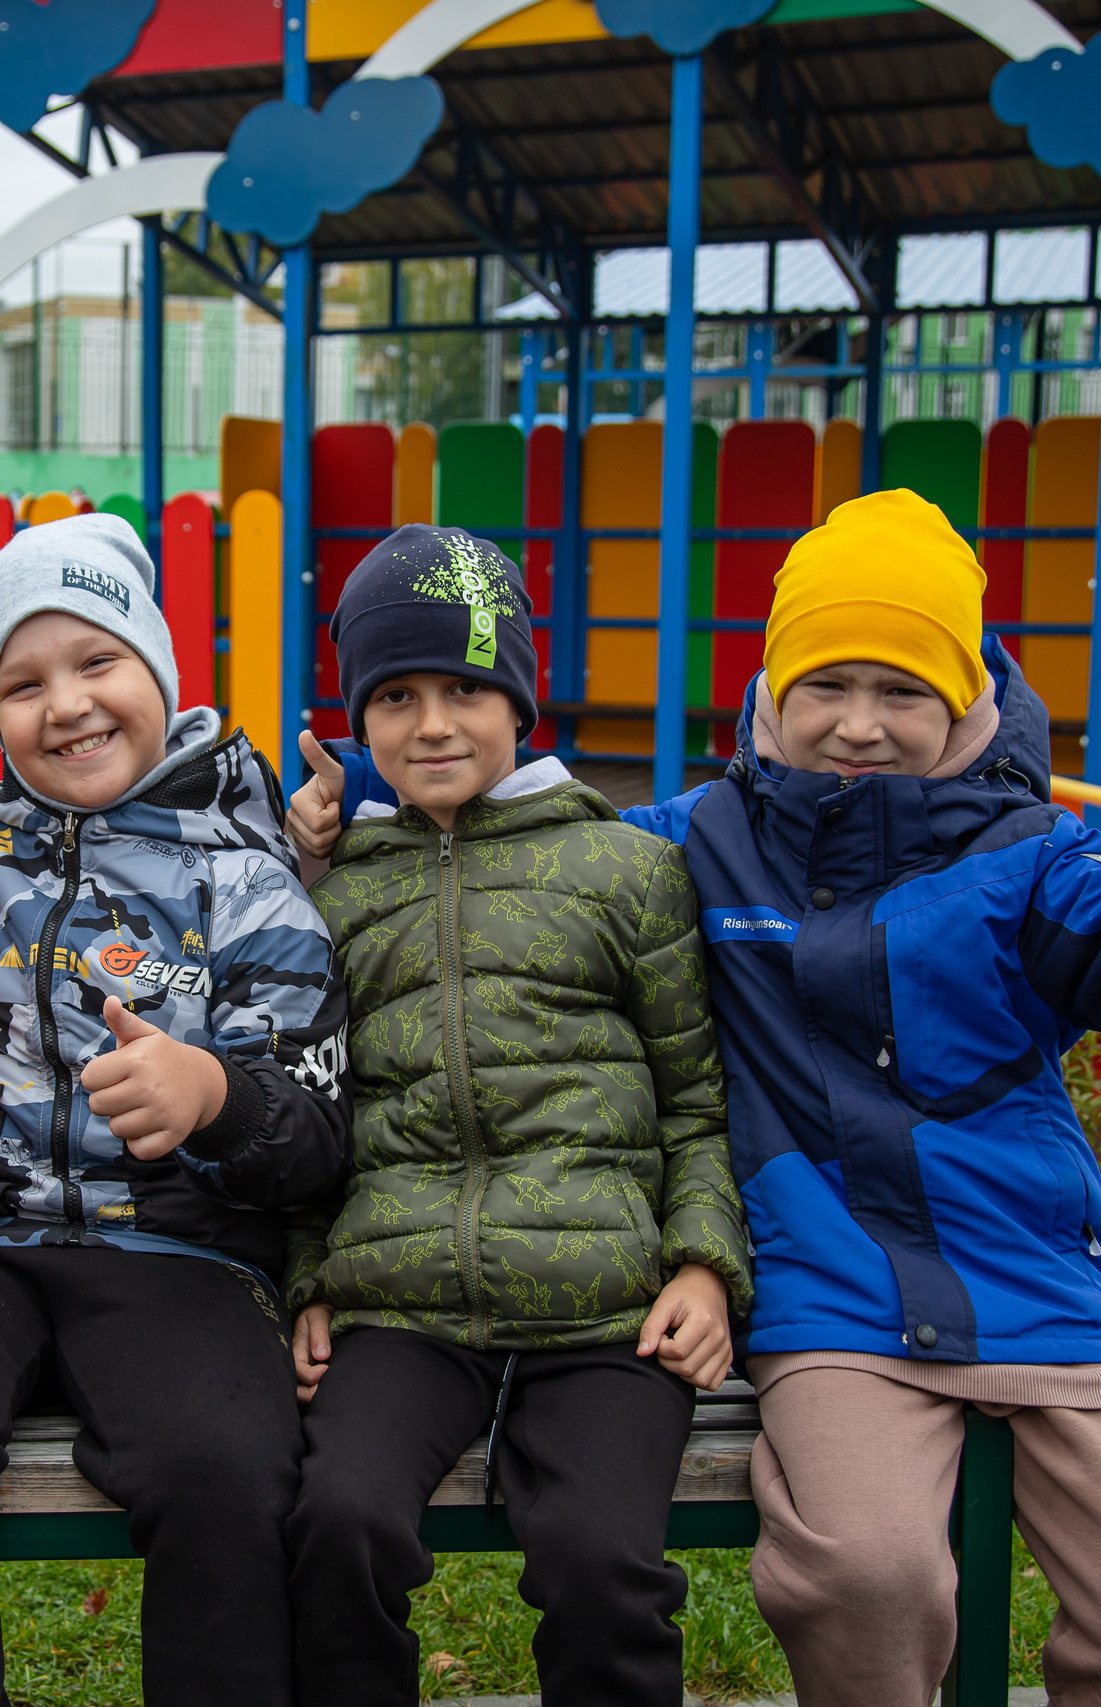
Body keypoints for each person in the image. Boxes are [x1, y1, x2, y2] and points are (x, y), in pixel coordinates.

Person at [290, 488, 1101, 1707]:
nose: (859, 726)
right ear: (773, 689)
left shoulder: (1032, 859)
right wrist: (355, 804)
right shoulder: (695, 845)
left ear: (966, 706)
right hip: (828, 1287)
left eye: (903, 692)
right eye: (827, 683)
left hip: (1031, 1283)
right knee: (866, 1578)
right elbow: (521, 866)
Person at [0, 513, 351, 1707]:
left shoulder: (244, 880)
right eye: (23, 683)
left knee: (226, 1468)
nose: (66, 705)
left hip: (176, 1252)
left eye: (96, 662)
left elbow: (311, 1140)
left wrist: (209, 1097)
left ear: (155, 667)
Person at [278, 525, 752, 1707]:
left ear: (519, 701)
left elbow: (696, 1099)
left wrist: (701, 1267)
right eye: (395, 696)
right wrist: (308, 1280)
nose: (432, 724)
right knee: (335, 1524)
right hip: (400, 1307)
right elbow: (310, 1113)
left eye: (466, 689)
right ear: (358, 719)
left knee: (601, 1563)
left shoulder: (622, 871)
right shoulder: (339, 896)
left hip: (605, 1310)